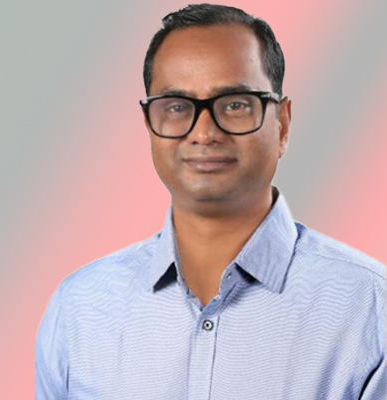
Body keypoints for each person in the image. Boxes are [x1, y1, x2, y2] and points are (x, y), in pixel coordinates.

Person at [35, 4, 386, 399]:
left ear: (282, 124)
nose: (204, 133)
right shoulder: (79, 309)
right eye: (176, 107)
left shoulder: (369, 310)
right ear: (150, 125)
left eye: (235, 104)